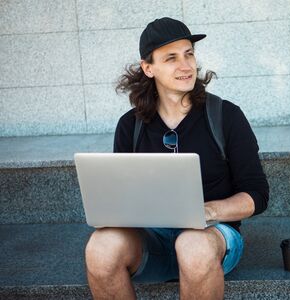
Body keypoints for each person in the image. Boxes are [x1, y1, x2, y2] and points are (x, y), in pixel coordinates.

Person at [84, 17, 269, 300]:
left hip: (210, 237)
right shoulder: (130, 126)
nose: (185, 66)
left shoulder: (226, 116)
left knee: (193, 245)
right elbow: (122, 198)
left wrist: (208, 211)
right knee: (100, 247)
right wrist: (112, 212)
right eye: (171, 58)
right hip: (151, 240)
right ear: (148, 68)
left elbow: (257, 195)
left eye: (189, 54)